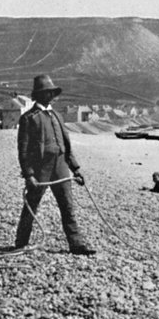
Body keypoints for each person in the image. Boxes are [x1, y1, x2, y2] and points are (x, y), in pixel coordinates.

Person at [12, 75, 95, 255]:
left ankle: (76, 244)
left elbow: (67, 145)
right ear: (38, 95)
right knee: (31, 206)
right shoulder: (28, 118)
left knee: (67, 205)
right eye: (46, 92)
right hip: (40, 169)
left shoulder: (57, 116)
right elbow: (23, 151)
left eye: (51, 92)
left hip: (61, 166)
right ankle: (21, 242)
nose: (50, 95)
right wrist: (29, 175)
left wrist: (76, 169)